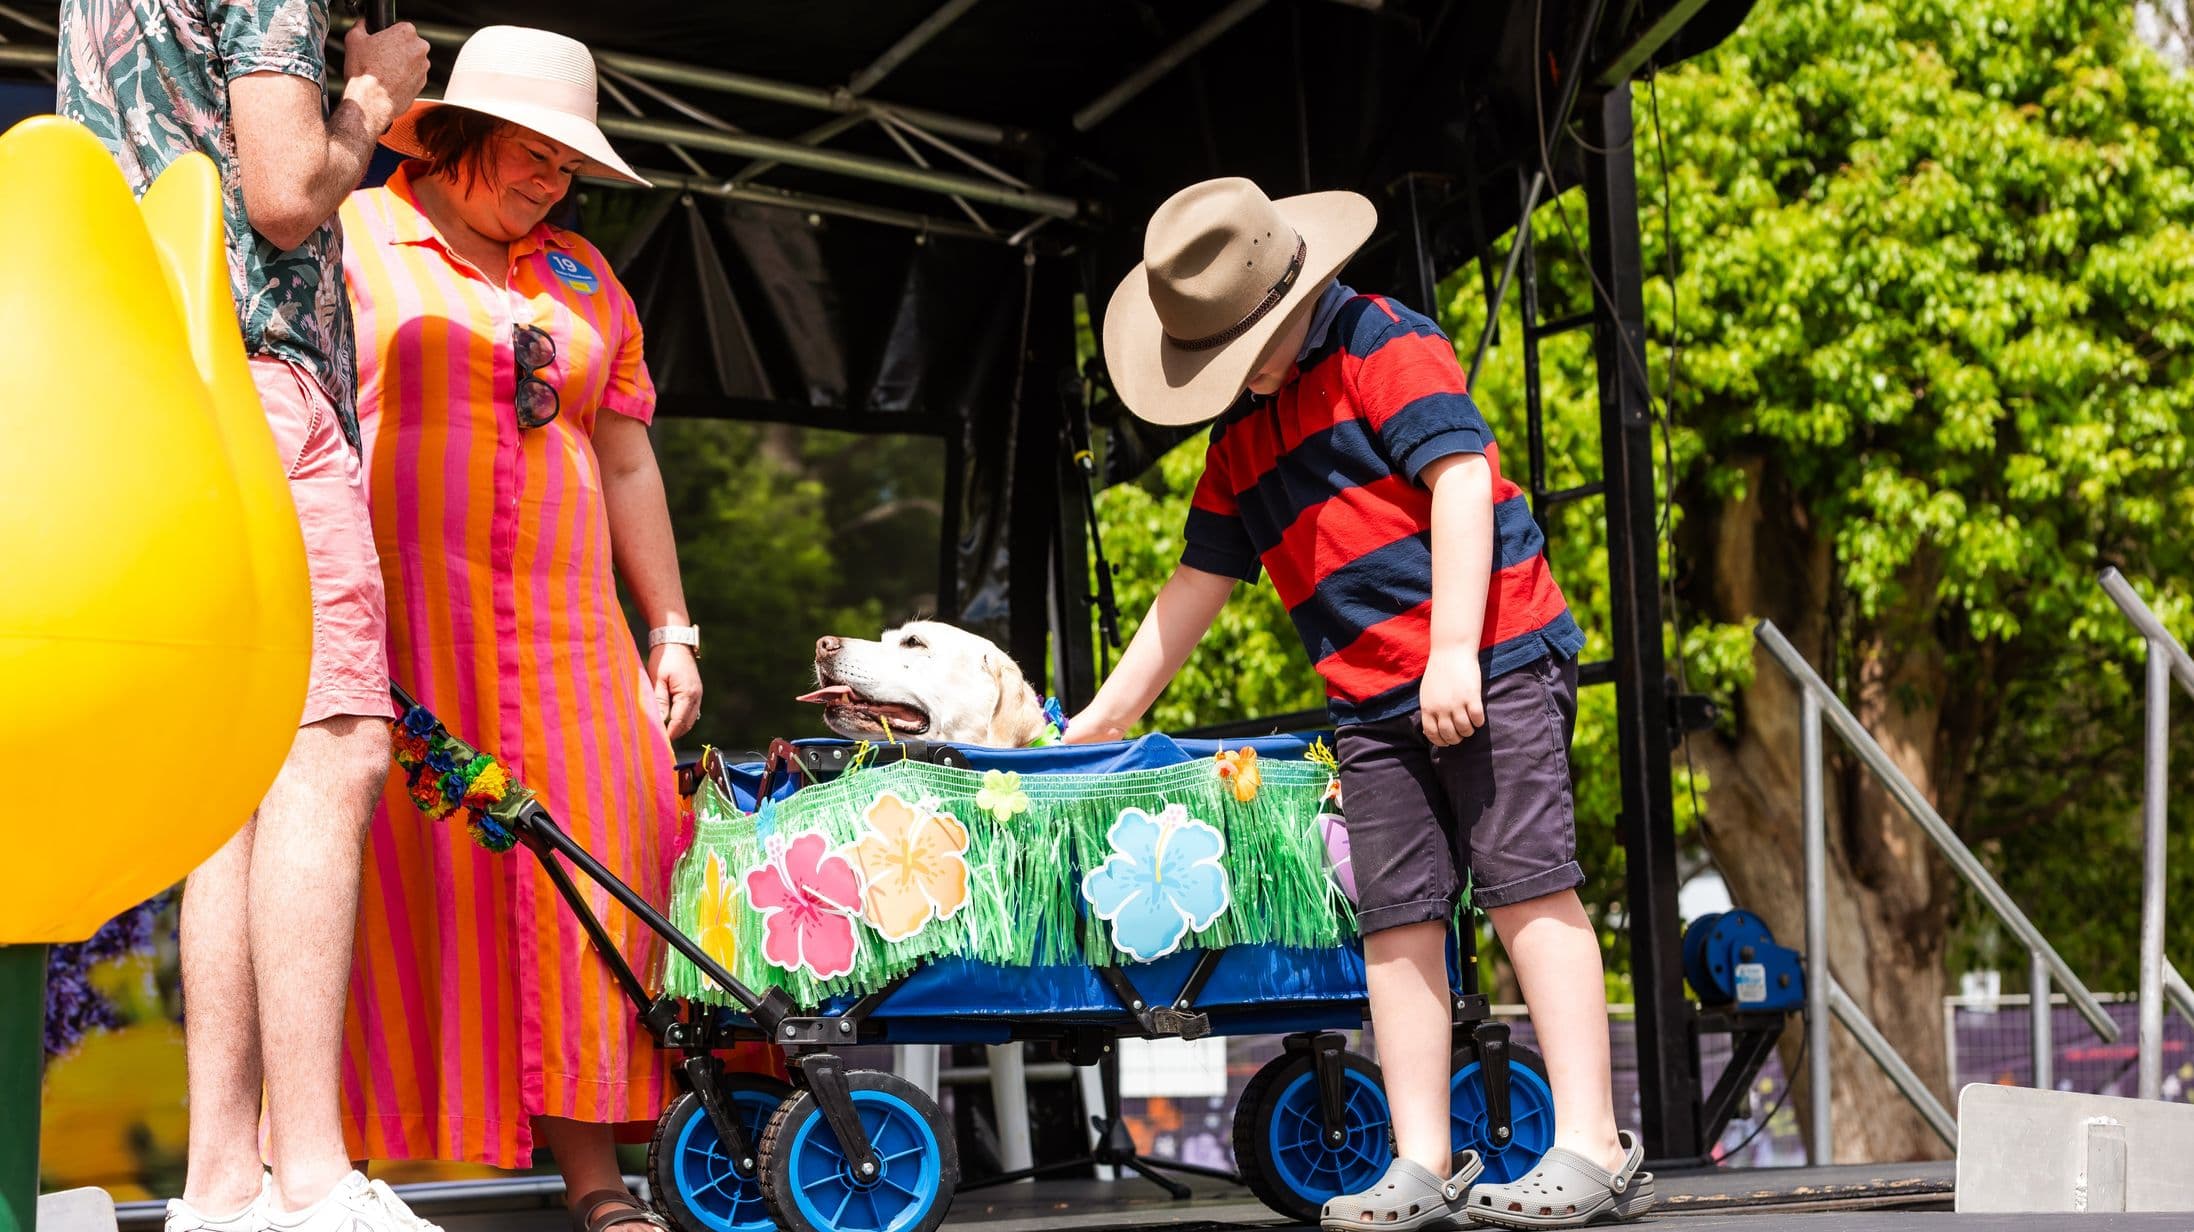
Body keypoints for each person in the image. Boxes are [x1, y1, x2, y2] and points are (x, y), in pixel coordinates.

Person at [1066, 177, 1654, 1230]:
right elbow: (1193, 587)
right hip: (1370, 696)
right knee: (1394, 921)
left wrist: (1454, 653)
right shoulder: (1238, 439)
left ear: (1288, 301)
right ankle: (1421, 1159)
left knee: (1527, 885)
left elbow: (1464, 482)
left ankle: (1592, 1143)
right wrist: (1103, 718)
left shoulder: (1384, 341)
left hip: (1494, 651)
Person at [335, 27, 770, 1230]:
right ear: (461, 137)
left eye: (569, 165)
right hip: (403, 618)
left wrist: (670, 626)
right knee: (394, 885)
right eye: (534, 155)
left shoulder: (583, 274)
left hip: (572, 636)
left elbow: (627, 457)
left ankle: (598, 1180)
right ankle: (331, 1174)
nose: (554, 182)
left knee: (593, 878)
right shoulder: (355, 232)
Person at [56, 6, 434, 1232]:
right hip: (262, 376)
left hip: (158, 385)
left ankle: (222, 1184)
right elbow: (281, 193)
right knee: (332, 750)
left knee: (235, 790)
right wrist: (371, 98)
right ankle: (314, 1178)